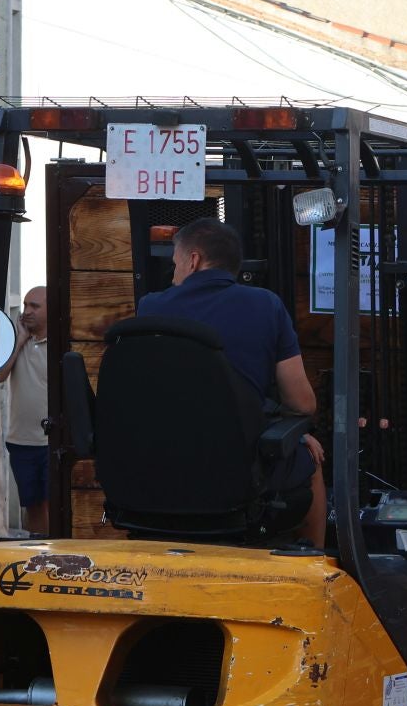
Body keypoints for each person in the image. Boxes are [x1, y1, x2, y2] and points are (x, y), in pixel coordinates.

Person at [138, 219, 326, 550]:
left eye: (175, 265)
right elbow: (303, 403)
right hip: (239, 473)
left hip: (161, 468)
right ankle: (313, 567)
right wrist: (293, 430)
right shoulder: (266, 305)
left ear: (193, 260)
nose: (173, 275)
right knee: (311, 462)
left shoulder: (150, 307)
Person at [1, 286, 50, 535]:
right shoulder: (16, 341)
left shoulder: (61, 341)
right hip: (21, 440)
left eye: (35, 306)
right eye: (25, 305)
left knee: (55, 504)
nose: (27, 311)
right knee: (32, 505)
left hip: (51, 442)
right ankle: (40, 552)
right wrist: (20, 341)